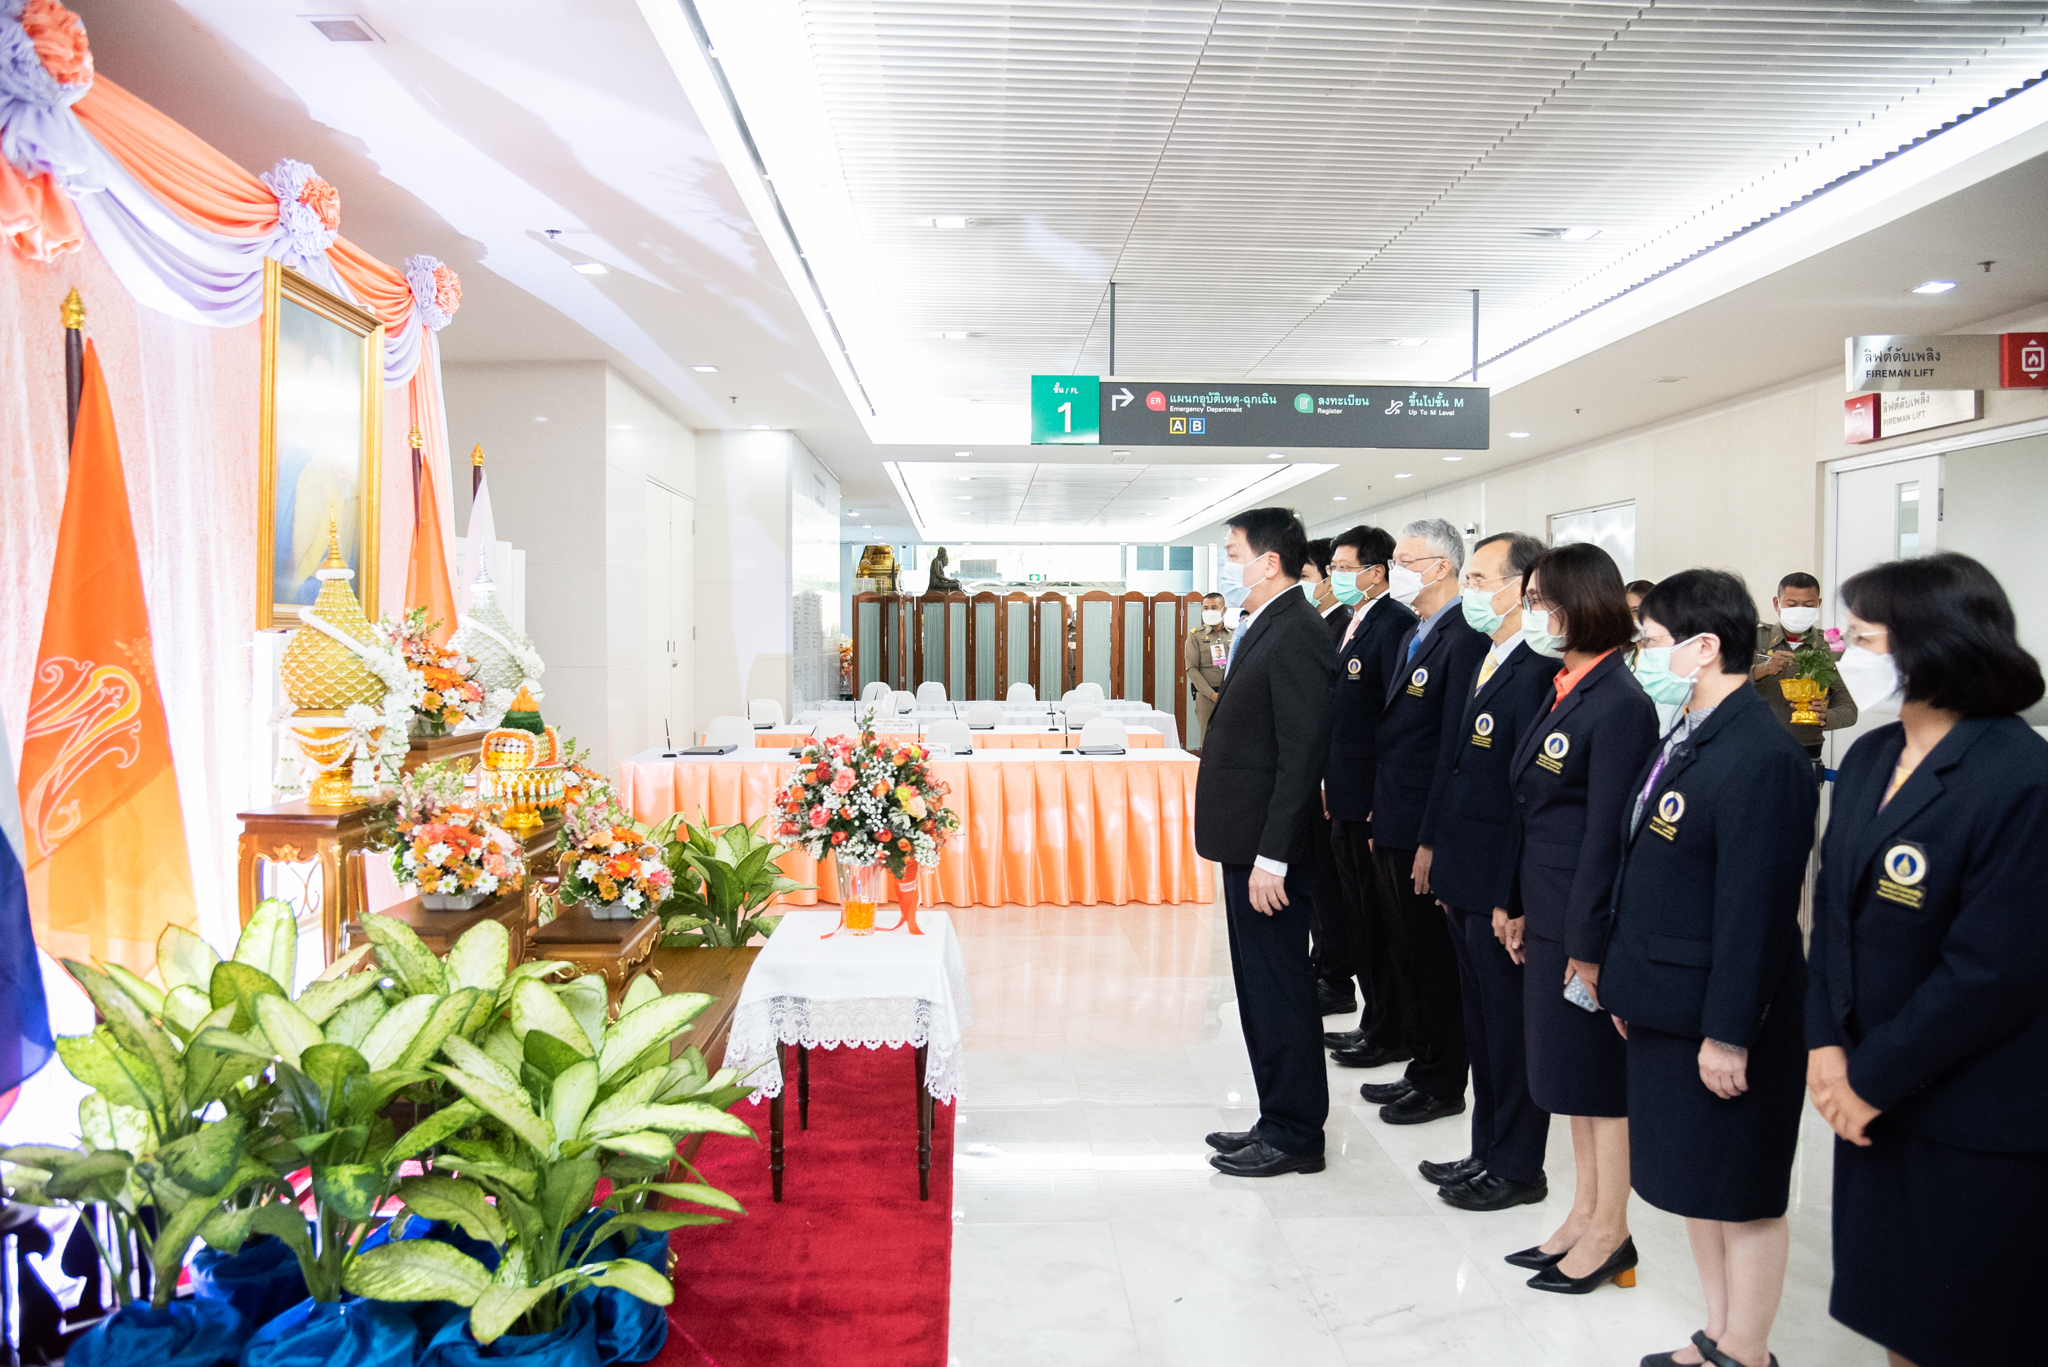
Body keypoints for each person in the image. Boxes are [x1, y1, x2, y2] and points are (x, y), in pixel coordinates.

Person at [1804, 552, 2046, 1367]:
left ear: (1930, 645)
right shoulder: (1872, 758)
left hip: (1969, 1112)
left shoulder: (2020, 779)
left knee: (1965, 1326)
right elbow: (1829, 920)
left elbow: (1993, 971)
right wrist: (1827, 1048)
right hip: (1869, 1095)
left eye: (1862, 636)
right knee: (1900, 1316)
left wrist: (1867, 1080)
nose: (1845, 655)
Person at [1601, 570, 1819, 1367]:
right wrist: (1631, 983)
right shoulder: (1690, 731)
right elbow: (1648, 869)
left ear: (1705, 646)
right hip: (1667, 997)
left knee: (1743, 1188)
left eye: (1653, 643)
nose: (1644, 656)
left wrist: (1729, 1034)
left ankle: (1749, 1350)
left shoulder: (1761, 755)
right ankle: (1718, 1333)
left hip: (1726, 1015)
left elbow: (1756, 910)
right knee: (1699, 1181)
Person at [1503, 541, 1659, 1294]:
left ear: (1579, 602)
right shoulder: (1565, 685)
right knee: (1567, 1075)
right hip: (1551, 908)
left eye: (1542, 600)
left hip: (1585, 923)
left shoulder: (1621, 703)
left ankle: (1611, 1231)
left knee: (1599, 1080)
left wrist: (1589, 945)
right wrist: (1524, 905)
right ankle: (1581, 1215)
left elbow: (1607, 833)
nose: (1534, 612)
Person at [1416, 532, 1559, 1213]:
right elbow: (1460, 769)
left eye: (1481, 578)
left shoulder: (1535, 668)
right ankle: (1484, 1149)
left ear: (1521, 586)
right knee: (1481, 1024)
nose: (1470, 589)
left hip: (1498, 878)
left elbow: (1521, 795)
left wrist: (1509, 893)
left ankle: (1517, 1163)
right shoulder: (1488, 655)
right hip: (1463, 871)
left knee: (1509, 1030)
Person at [1194, 507, 1337, 1178]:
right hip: (1245, 840)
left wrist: (1273, 854)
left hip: (1268, 851)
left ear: (1268, 560)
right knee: (1257, 985)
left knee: (1280, 984)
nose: (1227, 562)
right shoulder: (1267, 623)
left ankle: (1297, 1131)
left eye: (1232, 551)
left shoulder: (1299, 632)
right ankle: (1275, 1112)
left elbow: (1301, 754)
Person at [1349, 517, 1489, 1126]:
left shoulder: (1462, 637)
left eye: (1405, 561)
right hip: (1394, 813)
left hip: (1422, 826)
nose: (1393, 571)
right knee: (1404, 949)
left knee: (1430, 957)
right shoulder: (1423, 631)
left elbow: (1448, 747)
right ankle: (1420, 1063)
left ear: (1439, 567)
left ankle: (1441, 1078)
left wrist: (1431, 836)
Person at [1317, 526, 1415, 1049]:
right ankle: (1374, 1019)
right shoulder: (1357, 620)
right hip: (1345, 789)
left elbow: (1391, 720)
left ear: (1375, 572)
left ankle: (1389, 1028)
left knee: (1379, 919)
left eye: (1344, 567)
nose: (1336, 576)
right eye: (1333, 567)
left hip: (1372, 794)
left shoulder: (1395, 624)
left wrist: (1381, 797)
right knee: (1358, 912)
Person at [1751, 572, 1856, 762]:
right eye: (1791, 605)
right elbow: (1724, 688)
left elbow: (1849, 709)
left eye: (1808, 605)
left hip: (1806, 753)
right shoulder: (1754, 639)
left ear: (1818, 603)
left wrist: (1824, 716)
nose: (1799, 610)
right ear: (1777, 603)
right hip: (1754, 749)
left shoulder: (1832, 647)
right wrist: (1761, 669)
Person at [1184, 591, 1232, 750]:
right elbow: (1191, 668)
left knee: (1232, 737)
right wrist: (1211, 695)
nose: (1209, 611)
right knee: (1208, 740)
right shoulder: (1195, 636)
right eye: (1206, 608)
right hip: (1206, 696)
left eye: (1214, 607)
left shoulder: (1234, 634)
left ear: (1223, 610)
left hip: (1230, 694)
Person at [1301, 536, 1353, 647]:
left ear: (1330, 582)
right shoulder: (1308, 624)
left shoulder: (1345, 628)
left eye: (1303, 576)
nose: (1297, 584)